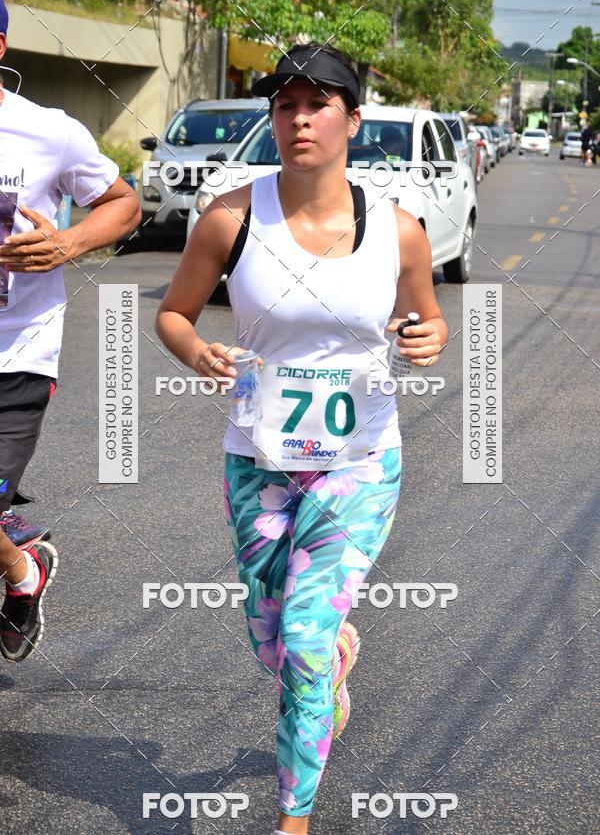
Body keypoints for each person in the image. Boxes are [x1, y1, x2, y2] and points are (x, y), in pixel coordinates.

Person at [155, 42, 448, 834]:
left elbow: (430, 318)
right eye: (285, 105)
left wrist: (427, 339)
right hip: (258, 459)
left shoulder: (400, 230)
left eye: (318, 104)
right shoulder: (231, 217)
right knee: (275, 645)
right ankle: (332, 662)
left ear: (353, 119)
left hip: (359, 464)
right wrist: (196, 350)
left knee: (307, 640)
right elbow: (173, 313)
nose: (299, 119)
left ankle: (294, 818)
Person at [0, 0, 141, 662]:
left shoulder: (49, 132)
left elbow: (123, 205)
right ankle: (21, 564)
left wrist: (68, 245)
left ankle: (21, 569)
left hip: (17, 352)